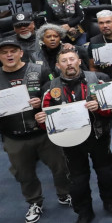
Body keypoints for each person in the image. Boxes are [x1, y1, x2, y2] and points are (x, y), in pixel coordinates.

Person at [37, 47, 112, 223]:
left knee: (106, 173)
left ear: (79, 61)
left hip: (98, 136)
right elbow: (47, 124)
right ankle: (84, 211)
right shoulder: (50, 88)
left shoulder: (99, 79)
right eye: (64, 61)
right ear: (58, 66)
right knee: (78, 180)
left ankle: (109, 201)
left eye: (72, 59)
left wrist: (99, 108)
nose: (69, 63)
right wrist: (41, 120)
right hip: (70, 141)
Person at [0, 38, 71, 223]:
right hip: (14, 136)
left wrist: (41, 102)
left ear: (20, 53)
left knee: (60, 166)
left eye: (13, 51)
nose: (9, 55)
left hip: (43, 132)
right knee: (24, 174)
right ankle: (34, 202)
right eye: (4, 52)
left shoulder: (39, 70)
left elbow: (55, 94)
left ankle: (64, 194)